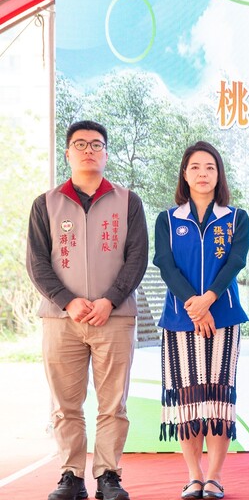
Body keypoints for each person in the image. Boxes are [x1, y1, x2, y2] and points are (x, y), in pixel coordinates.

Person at [26, 120, 148, 500]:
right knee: (65, 404)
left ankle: (108, 475)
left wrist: (110, 299)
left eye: (96, 144)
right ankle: (71, 475)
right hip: (61, 319)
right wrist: (68, 300)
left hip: (114, 317)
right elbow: (37, 262)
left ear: (106, 154)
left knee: (113, 404)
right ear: (68, 153)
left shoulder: (128, 201)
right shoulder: (46, 203)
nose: (89, 150)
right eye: (80, 144)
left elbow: (137, 257)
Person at [154, 141, 249, 500]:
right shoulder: (167, 219)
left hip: (224, 317)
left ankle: (214, 477)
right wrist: (193, 305)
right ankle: (193, 476)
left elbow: (236, 261)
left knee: (218, 399)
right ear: (184, 173)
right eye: (195, 167)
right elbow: (165, 265)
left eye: (210, 167)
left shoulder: (236, 217)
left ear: (219, 174)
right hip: (180, 319)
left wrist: (208, 300)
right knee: (188, 400)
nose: (202, 174)